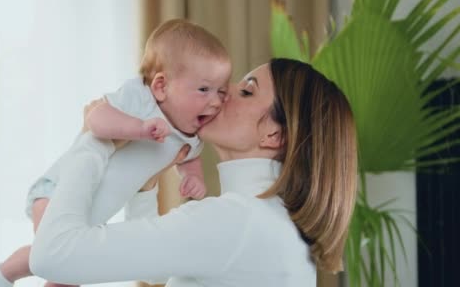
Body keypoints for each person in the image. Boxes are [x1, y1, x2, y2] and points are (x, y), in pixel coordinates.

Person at [29, 58, 358, 286]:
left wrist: (94, 139)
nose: (222, 91)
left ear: (274, 135)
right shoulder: (266, 218)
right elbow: (164, 267)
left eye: (246, 90)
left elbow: (53, 255)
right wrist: (146, 188)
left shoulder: (237, 220)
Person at [0, 19, 232, 287]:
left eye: (221, 92)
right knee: (51, 258)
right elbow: (95, 119)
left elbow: (188, 159)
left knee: (67, 270)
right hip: (59, 191)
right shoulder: (141, 99)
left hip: (91, 217)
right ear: (161, 86)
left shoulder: (192, 135)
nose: (215, 101)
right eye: (204, 89)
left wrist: (194, 179)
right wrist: (140, 128)